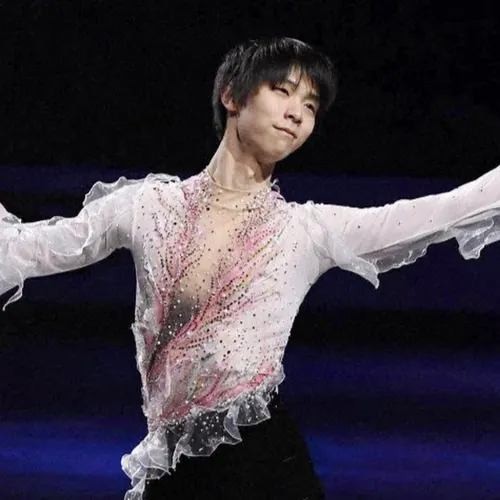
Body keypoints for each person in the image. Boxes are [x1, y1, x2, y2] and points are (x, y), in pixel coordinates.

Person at [2, 36, 500, 500]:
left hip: (264, 464)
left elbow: (441, 211)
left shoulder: (304, 231)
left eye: (310, 106)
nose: (297, 114)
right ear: (232, 97)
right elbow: (33, 249)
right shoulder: (146, 207)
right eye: (282, 91)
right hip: (171, 465)